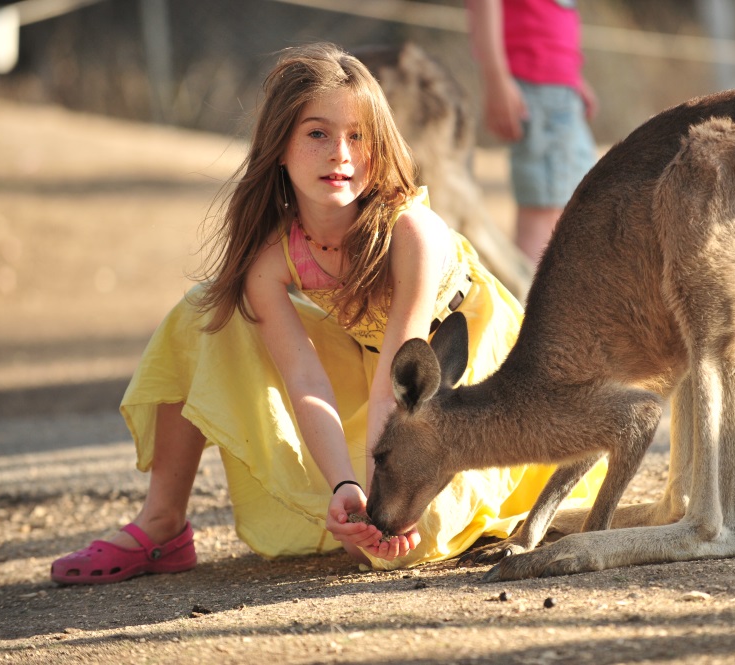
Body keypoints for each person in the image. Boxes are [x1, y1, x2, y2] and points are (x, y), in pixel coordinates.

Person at [50, 42, 606, 585]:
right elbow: (304, 378)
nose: (340, 153)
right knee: (201, 310)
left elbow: (402, 379)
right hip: (369, 363)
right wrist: (346, 486)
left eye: (358, 136)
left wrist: (374, 505)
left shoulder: (409, 231)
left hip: (456, 372)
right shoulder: (271, 256)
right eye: (318, 133)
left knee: (405, 542)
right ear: (280, 146)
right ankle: (163, 524)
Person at [466, 0, 598, 265]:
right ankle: (529, 302)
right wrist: (496, 78)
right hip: (538, 87)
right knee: (542, 215)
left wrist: (574, 78)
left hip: (560, 87)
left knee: (573, 207)